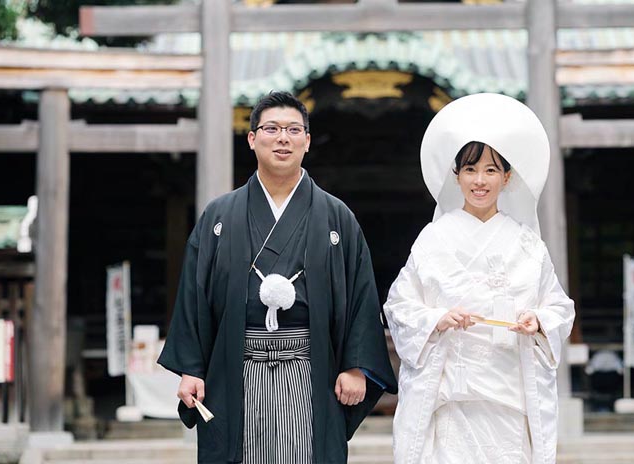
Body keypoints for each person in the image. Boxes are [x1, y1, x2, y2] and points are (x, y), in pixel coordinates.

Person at [158, 91, 397, 464]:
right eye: (271, 128)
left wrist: (354, 366)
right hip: (237, 366)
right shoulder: (220, 216)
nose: (282, 138)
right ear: (252, 138)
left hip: (310, 366)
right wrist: (191, 369)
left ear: (307, 141)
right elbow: (194, 295)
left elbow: (362, 294)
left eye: (293, 129)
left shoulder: (337, 217)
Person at [383, 93, 575, 464]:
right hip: (451, 397)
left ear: (507, 178)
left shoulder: (527, 243)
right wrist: (436, 319)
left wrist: (539, 321)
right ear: (457, 177)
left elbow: (559, 307)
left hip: (509, 396)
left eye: (490, 170)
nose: (480, 180)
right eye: (470, 170)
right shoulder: (434, 238)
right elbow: (399, 305)